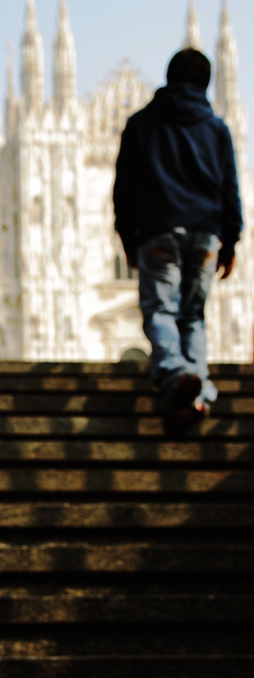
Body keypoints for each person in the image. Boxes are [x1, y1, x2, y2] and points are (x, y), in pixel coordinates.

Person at [113, 48, 242, 431]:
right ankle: (196, 396)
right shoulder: (216, 127)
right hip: (205, 235)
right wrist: (230, 242)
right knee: (193, 317)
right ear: (206, 83)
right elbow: (229, 190)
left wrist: (127, 238)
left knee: (160, 312)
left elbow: (124, 190)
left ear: (168, 79)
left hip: (159, 233)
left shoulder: (142, 124)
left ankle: (175, 374)